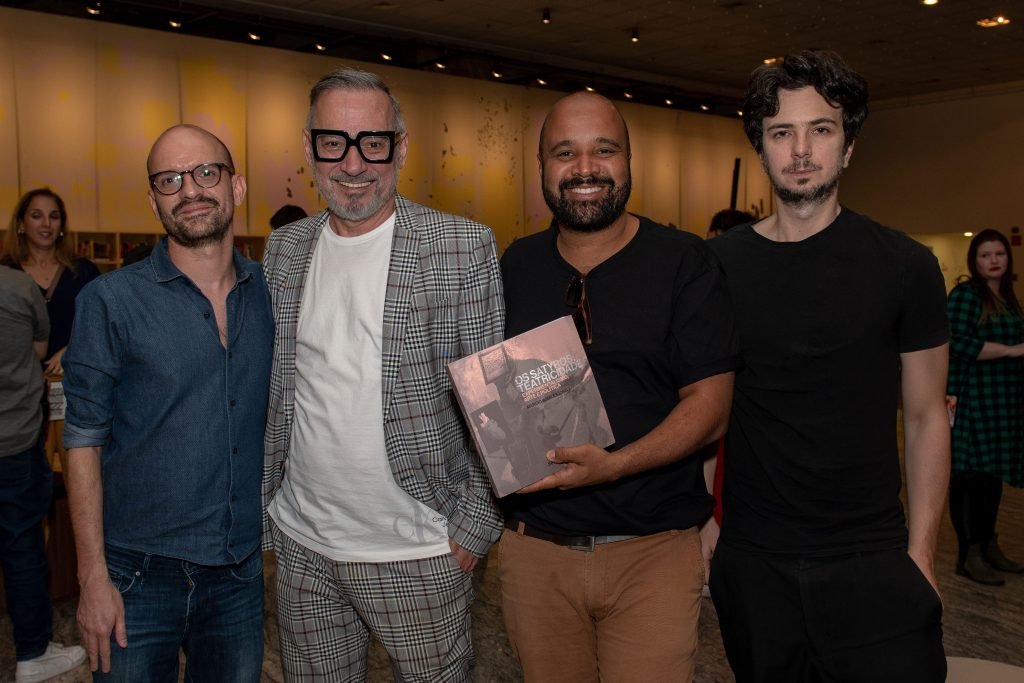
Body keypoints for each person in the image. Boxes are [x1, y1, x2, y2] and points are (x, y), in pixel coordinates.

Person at [707, 50, 950, 682]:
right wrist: (708, 528)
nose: (801, 149)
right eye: (781, 132)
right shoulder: (718, 268)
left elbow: (927, 416)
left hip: (872, 557)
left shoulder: (906, 265)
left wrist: (921, 554)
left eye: (822, 129)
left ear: (848, 147)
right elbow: (706, 407)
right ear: (761, 149)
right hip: (754, 561)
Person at [262, 67, 504, 681]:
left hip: (419, 550)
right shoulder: (284, 249)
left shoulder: (461, 246)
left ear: (399, 147)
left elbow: (495, 406)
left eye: (372, 141)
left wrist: (474, 530)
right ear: (308, 148)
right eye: (333, 142)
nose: (352, 164)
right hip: (303, 547)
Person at [499, 91, 739, 683]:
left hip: (651, 552)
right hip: (537, 553)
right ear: (541, 168)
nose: (584, 169)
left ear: (629, 160)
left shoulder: (684, 261)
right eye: (564, 153)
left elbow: (711, 408)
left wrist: (614, 466)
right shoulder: (515, 265)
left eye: (603, 150)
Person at [62, 124, 273, 682]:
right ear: (153, 198)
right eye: (170, 179)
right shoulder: (109, 301)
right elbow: (81, 439)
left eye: (207, 173)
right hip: (135, 575)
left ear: (238, 187)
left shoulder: (271, 293)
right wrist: (92, 580)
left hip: (237, 574)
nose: (191, 190)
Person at [1, 264, 87, 683]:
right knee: (22, 548)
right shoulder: (17, 286)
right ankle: (33, 652)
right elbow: (38, 351)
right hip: (14, 439)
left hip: (16, 438)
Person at [946, 229, 1024, 585]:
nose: (994, 261)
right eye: (985, 255)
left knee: (992, 477)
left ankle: (989, 546)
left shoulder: (1007, 298)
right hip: (973, 397)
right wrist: (1011, 350)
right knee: (969, 476)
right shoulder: (966, 295)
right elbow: (956, 343)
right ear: (974, 262)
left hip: (1003, 399)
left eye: (999, 254)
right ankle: (969, 554)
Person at [2, 189, 100, 375]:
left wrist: (73, 350)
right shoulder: (6, 274)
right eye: (36, 216)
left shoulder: (84, 271)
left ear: (61, 225)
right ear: (21, 223)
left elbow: (103, 325)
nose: (46, 224)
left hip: (78, 381)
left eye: (54, 216)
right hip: (18, 387)